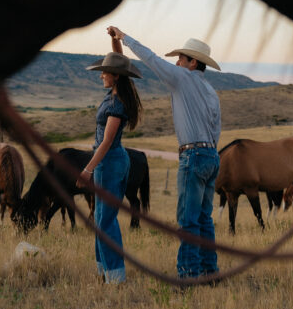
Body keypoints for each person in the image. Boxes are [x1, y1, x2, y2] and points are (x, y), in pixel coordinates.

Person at [107, 27, 221, 282]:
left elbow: (152, 60)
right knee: (204, 218)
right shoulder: (211, 92)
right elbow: (216, 130)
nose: (177, 62)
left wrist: (125, 38)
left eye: (181, 58)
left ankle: (189, 274)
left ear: (193, 63)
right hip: (211, 155)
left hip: (192, 155)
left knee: (188, 219)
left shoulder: (182, 78)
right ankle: (209, 271)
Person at [79, 47, 143, 284]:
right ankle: (104, 272)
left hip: (110, 161)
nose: (101, 75)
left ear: (115, 76)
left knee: (106, 220)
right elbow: (121, 64)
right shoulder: (115, 95)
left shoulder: (117, 103)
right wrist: (116, 42)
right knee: (101, 217)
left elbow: (106, 142)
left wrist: (87, 170)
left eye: (105, 72)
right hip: (111, 160)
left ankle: (115, 277)